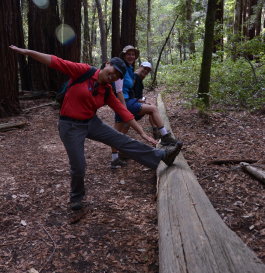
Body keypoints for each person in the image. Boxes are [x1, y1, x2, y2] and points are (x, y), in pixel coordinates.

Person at [9, 45, 182, 211]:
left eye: (117, 76)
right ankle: (76, 197)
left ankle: (161, 156)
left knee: (122, 140)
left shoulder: (106, 90)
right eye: (113, 71)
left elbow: (123, 111)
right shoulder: (83, 71)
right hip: (70, 126)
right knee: (79, 165)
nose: (113, 76)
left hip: (91, 122)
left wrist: (142, 132)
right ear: (107, 64)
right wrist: (26, 51)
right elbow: (55, 61)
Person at [111, 45, 183, 168]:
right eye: (128, 54)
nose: (131, 56)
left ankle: (115, 159)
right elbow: (119, 90)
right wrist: (124, 107)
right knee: (152, 109)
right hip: (124, 102)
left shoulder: (128, 68)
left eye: (133, 54)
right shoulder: (121, 68)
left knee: (119, 131)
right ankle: (165, 136)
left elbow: (128, 89)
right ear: (123, 55)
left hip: (125, 102)